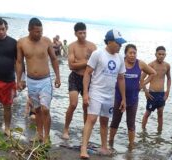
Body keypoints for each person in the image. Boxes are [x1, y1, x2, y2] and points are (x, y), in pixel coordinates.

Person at [80, 29, 126, 158]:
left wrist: (123, 99)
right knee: (92, 118)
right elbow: (87, 73)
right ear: (110, 41)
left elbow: (121, 78)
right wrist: (85, 93)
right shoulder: (98, 54)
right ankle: (83, 148)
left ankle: (104, 147)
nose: (120, 46)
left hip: (110, 95)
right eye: (118, 43)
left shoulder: (120, 58)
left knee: (105, 121)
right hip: (96, 91)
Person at [16, 17, 61, 143]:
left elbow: (54, 59)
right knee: (37, 110)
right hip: (31, 81)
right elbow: (19, 63)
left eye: (41, 31)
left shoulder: (46, 41)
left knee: (45, 109)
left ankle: (47, 137)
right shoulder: (21, 43)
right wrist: (19, 80)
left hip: (45, 80)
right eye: (37, 32)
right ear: (29, 30)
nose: (39, 34)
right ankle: (39, 134)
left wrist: (57, 76)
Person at [109, 44, 156, 149]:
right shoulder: (120, 62)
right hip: (119, 97)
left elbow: (153, 73)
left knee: (131, 123)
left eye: (134, 53)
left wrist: (142, 85)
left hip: (133, 99)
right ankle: (110, 142)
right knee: (115, 121)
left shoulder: (140, 64)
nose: (132, 55)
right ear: (125, 54)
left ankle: (131, 147)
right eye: (130, 53)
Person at [62, 22, 96, 140]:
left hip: (89, 78)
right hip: (75, 78)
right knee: (73, 104)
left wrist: (79, 63)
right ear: (75, 33)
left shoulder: (92, 47)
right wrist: (86, 62)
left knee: (86, 105)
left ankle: (85, 130)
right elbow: (71, 66)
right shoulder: (72, 46)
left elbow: (96, 64)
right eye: (80, 33)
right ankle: (66, 129)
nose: (82, 35)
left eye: (84, 32)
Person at [141, 46, 171, 132]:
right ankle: (143, 132)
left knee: (160, 114)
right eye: (159, 54)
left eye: (163, 54)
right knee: (147, 113)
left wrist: (167, 92)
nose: (161, 56)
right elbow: (142, 79)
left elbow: (169, 78)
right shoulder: (150, 65)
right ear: (155, 54)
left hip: (161, 94)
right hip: (152, 94)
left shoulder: (167, 66)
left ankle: (159, 132)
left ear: (165, 55)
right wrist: (145, 91)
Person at [0, 17, 18, 136]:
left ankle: (7, 128)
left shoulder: (13, 42)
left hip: (8, 80)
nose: (0, 32)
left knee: (7, 106)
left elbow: (18, 62)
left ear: (6, 28)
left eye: (2, 29)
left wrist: (21, 79)